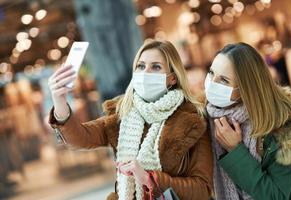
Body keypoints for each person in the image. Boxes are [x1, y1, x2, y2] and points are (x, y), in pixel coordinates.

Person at [48, 40, 213, 200]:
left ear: (173, 78)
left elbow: (202, 189)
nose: (145, 72)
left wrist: (150, 179)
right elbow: (81, 138)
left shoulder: (193, 119)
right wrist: (60, 101)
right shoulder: (122, 113)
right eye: (140, 66)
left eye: (155, 67)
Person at [204, 42, 291, 200]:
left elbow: (277, 197)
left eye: (223, 80)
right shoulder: (203, 118)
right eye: (211, 72)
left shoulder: (280, 125)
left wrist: (236, 151)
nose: (211, 83)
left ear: (245, 89)